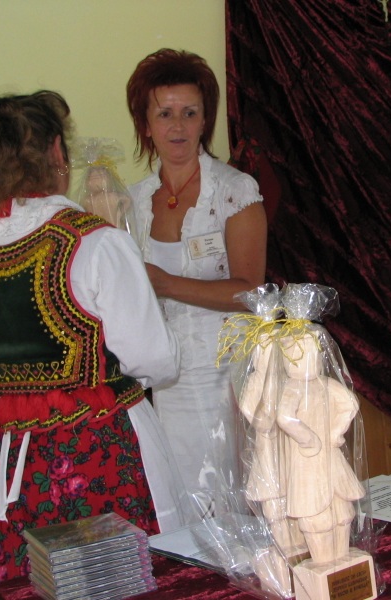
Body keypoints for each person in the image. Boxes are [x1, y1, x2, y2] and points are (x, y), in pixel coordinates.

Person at [0, 90, 184, 599]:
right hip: (93, 449)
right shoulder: (92, 242)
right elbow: (154, 360)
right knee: (113, 582)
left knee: (24, 581)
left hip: (4, 458)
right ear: (56, 151)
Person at [125, 48, 268, 517]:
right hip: (163, 382)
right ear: (145, 124)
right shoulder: (132, 202)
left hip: (227, 376)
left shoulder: (234, 191)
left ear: (206, 120)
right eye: (164, 114)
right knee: (179, 508)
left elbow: (250, 292)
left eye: (190, 113)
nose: (178, 126)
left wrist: (164, 283)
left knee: (231, 505)